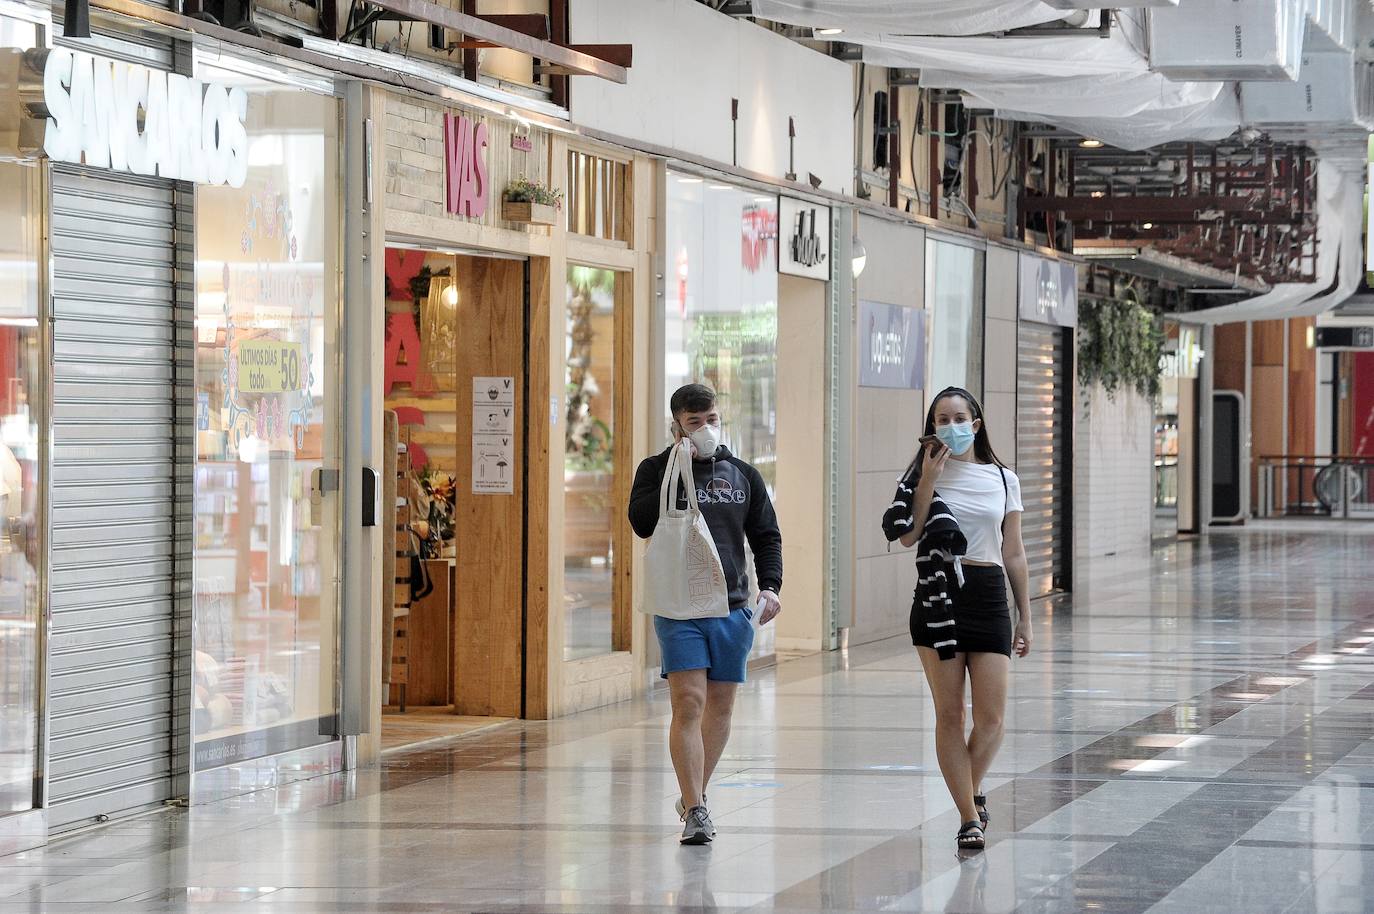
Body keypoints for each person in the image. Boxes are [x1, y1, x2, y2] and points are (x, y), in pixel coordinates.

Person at [629, 383, 783, 845]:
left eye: (711, 420)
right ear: (676, 426)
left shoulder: (742, 475)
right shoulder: (655, 469)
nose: (705, 429)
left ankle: (696, 790)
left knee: (720, 706)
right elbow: (640, 524)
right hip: (679, 608)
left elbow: (766, 535)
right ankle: (696, 808)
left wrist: (771, 587)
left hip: (732, 607)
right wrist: (674, 468)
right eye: (694, 423)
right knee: (689, 702)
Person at [881, 386, 1031, 851]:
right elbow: (907, 537)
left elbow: (1014, 550)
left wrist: (1025, 615)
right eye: (941, 419)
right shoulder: (919, 477)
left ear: (976, 424)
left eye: (959, 418)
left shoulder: (1003, 479)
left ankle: (971, 787)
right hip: (936, 595)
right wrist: (928, 479)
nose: (951, 426)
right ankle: (968, 816)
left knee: (991, 719)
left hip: (987, 595)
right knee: (950, 714)